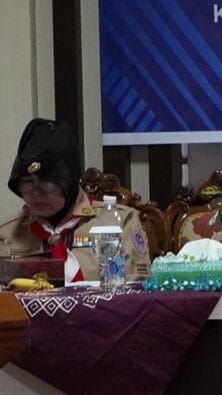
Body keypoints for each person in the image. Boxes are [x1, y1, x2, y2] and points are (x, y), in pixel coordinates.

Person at [0, 118, 150, 282]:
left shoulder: (120, 222)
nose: (36, 193)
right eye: (28, 182)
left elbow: (137, 290)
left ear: (69, 180)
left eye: (46, 182)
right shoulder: (7, 233)